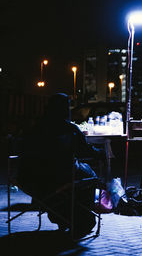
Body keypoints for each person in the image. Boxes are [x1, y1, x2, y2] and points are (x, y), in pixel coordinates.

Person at [17, 93, 104, 237]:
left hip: (30, 179)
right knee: (90, 177)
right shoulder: (69, 129)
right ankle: (78, 216)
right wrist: (101, 153)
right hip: (58, 177)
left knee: (75, 177)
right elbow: (86, 150)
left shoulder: (35, 127)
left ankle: (63, 216)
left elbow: (23, 151)